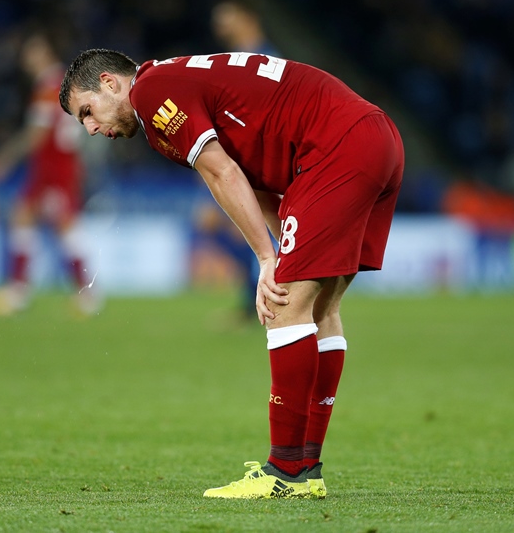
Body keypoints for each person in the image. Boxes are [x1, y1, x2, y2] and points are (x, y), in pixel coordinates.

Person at [59, 49, 404, 498]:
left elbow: (222, 173)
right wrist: (284, 245)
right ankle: (306, 469)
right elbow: (249, 176)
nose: (90, 128)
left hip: (335, 147)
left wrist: (267, 260)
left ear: (110, 83)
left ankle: (285, 472)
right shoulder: (172, 79)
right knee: (320, 309)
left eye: (87, 111)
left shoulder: (150, 93)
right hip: (373, 138)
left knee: (283, 306)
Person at [0, 32, 101, 317]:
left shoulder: (49, 86)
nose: (27, 59)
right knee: (26, 216)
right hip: (60, 163)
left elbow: (37, 135)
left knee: (63, 225)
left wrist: (4, 159)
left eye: (33, 52)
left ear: (47, 52)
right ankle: (20, 290)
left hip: (54, 165)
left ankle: (85, 292)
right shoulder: (65, 81)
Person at [191, 0, 282, 322]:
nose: (220, 25)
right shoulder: (230, 60)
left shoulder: (267, 58)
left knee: (252, 233)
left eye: (226, 16)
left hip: (257, 164)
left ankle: (263, 302)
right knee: (220, 228)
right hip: (232, 161)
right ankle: (256, 299)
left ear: (248, 17)